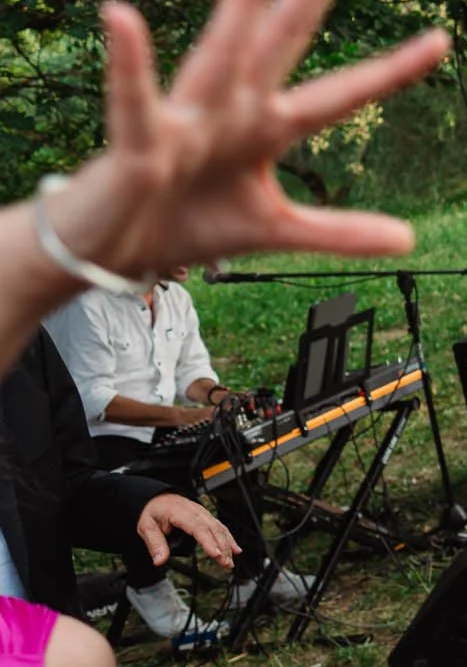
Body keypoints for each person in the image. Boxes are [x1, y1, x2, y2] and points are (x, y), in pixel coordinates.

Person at [0, 0, 450, 667]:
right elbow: (112, 407)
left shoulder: (12, 351)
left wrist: (136, 497)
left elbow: (58, 475)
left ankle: (239, 565)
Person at [44, 271, 305, 638]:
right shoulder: (88, 303)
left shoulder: (176, 299)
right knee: (145, 484)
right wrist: (183, 416)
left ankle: (252, 572)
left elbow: (191, 373)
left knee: (234, 450)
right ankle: (148, 586)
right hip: (96, 439)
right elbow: (90, 398)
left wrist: (219, 397)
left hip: (157, 426)